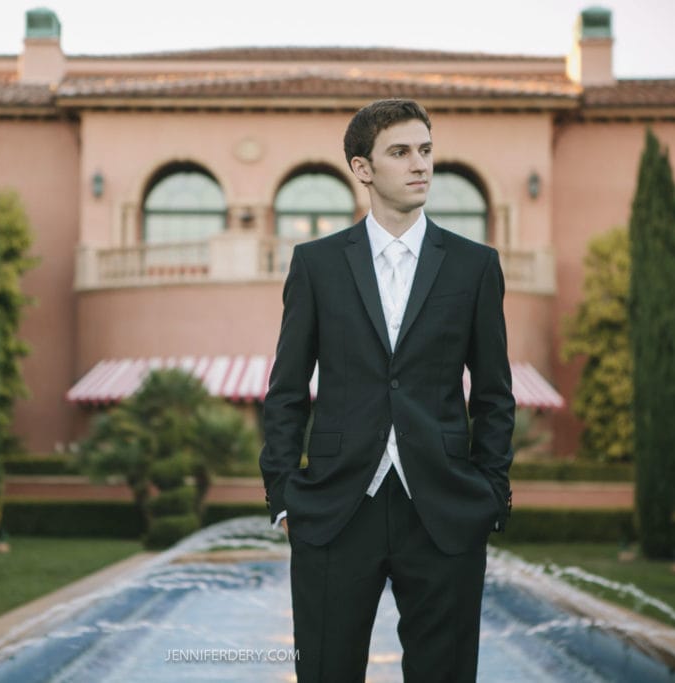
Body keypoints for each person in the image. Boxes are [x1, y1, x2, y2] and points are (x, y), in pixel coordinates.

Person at [259, 98, 515, 683]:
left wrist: (489, 492)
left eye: (425, 150)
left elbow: (494, 394)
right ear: (363, 168)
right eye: (400, 152)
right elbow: (287, 390)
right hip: (334, 509)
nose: (420, 164)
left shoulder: (475, 266)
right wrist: (284, 496)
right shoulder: (316, 264)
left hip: (445, 510)